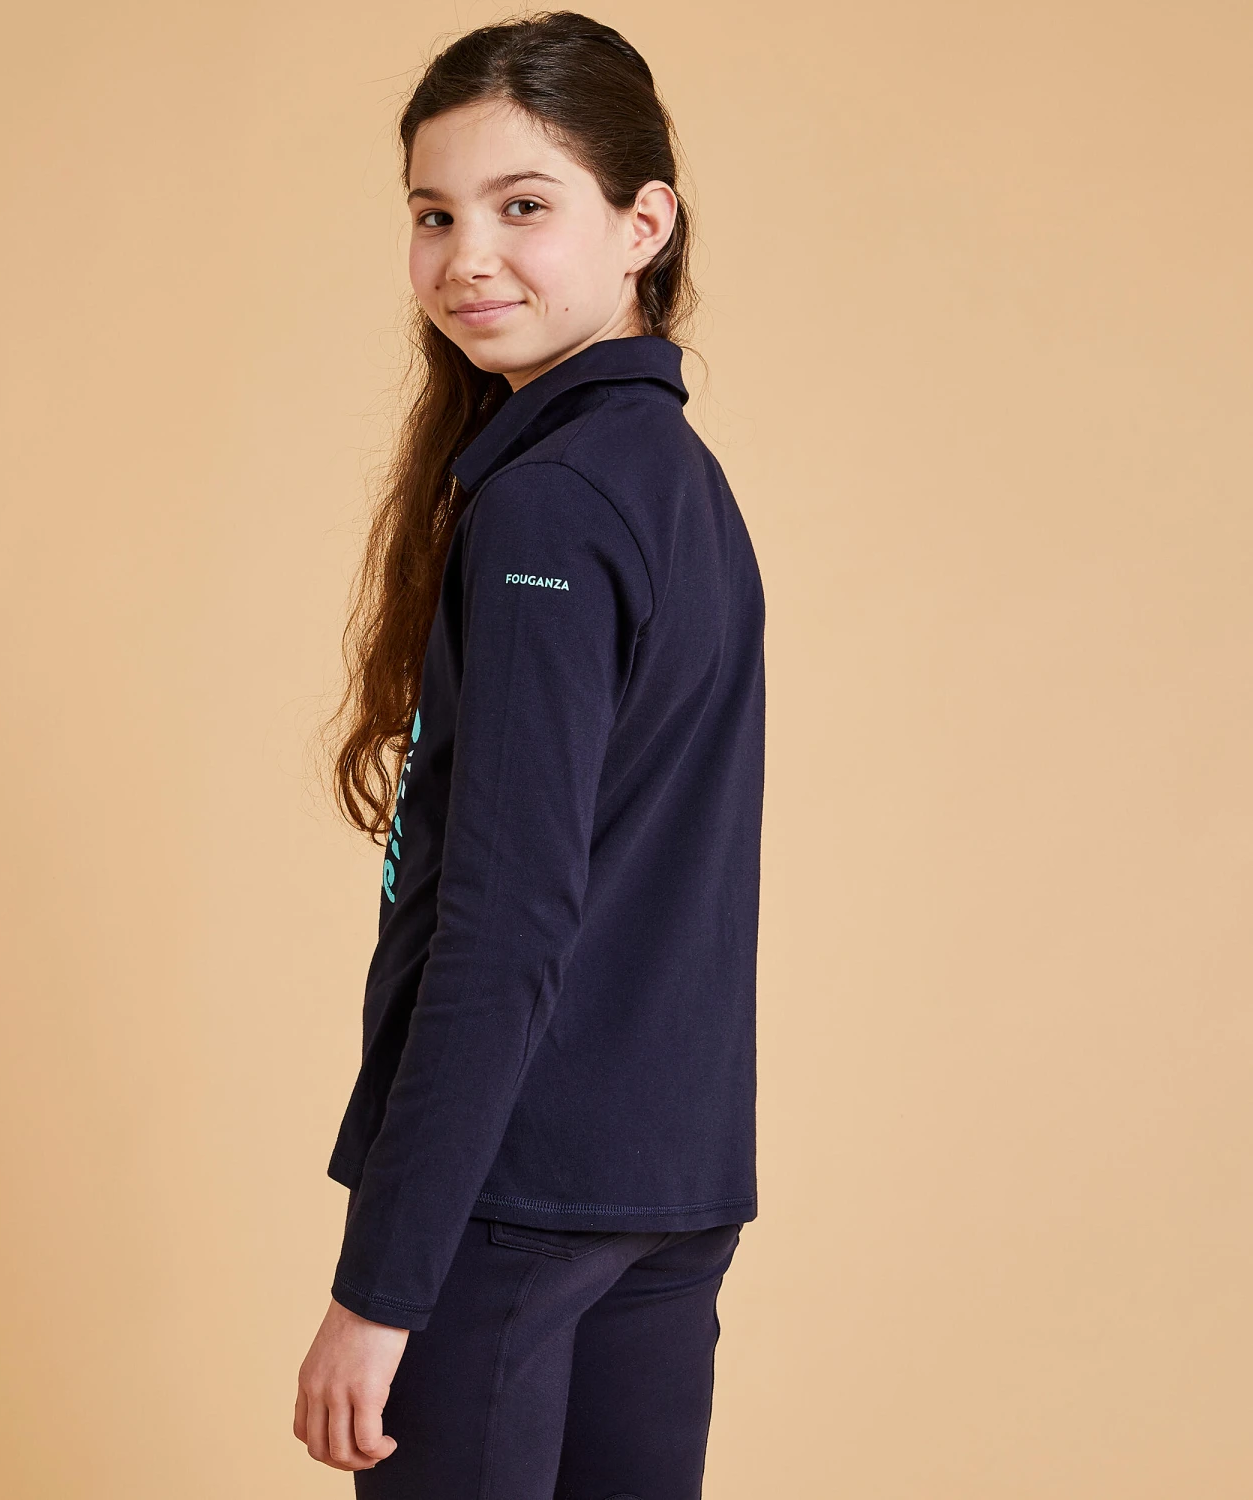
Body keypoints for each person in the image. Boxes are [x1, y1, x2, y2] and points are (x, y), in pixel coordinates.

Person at [296, 13, 766, 1496]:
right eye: (434, 215)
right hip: (664, 1184)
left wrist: (383, 1288)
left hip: (510, 1197)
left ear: (643, 225)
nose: (468, 258)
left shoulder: (552, 505)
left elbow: (504, 921)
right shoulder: (678, 480)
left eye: (523, 205)